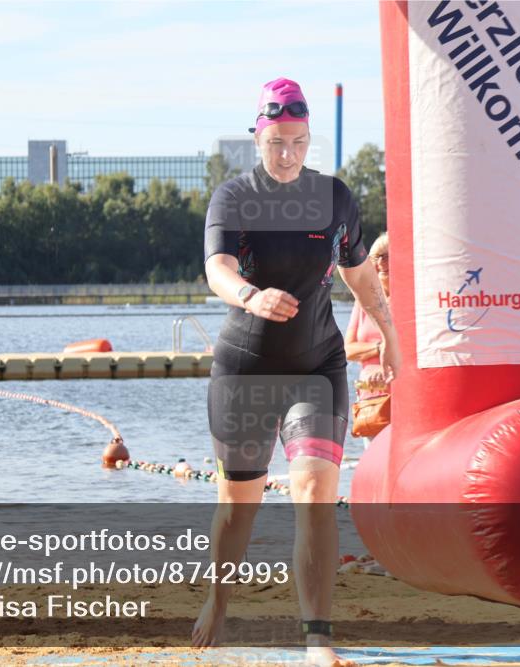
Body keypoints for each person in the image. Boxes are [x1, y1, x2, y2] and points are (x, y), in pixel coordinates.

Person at [198, 77, 401, 667]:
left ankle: (318, 638)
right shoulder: (233, 198)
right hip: (246, 370)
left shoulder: (335, 198)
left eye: (297, 141)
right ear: (257, 139)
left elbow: (359, 273)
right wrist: (248, 295)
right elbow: (217, 267)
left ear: (309, 139)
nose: (286, 154)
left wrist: (389, 331)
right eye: (274, 142)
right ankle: (218, 598)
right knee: (239, 506)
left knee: (314, 493)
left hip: (317, 365)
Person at [344, 233, 391, 445]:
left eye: (388, 256)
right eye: (377, 257)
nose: (381, 262)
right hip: (370, 402)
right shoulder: (364, 301)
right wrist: (381, 348)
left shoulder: (413, 300)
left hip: (401, 399)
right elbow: (348, 350)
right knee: (375, 471)